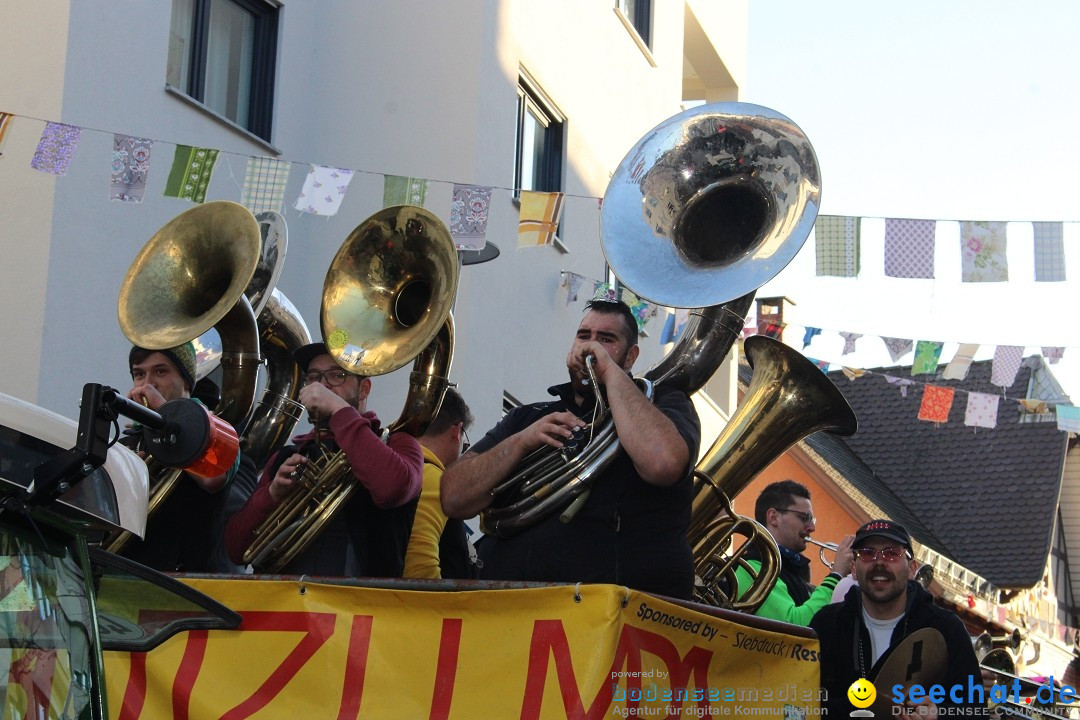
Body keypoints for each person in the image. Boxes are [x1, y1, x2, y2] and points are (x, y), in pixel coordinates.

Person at [441, 299, 701, 598]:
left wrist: (607, 371)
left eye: (607, 340)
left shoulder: (663, 404)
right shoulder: (527, 418)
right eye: (584, 336)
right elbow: (453, 497)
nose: (591, 348)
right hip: (510, 608)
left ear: (631, 357)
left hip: (613, 618)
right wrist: (521, 442)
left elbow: (663, 463)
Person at [225, 341, 423, 577]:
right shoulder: (287, 455)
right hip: (283, 607)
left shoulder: (397, 443)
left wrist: (339, 410)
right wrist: (272, 495)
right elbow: (235, 550)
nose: (321, 386)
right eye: (314, 377)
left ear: (364, 389)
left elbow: (393, 488)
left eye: (337, 376)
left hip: (362, 608)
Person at [809, 520, 987, 717]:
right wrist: (863, 707)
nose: (879, 562)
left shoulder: (946, 628)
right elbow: (803, 703)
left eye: (892, 553)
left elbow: (977, 710)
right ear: (853, 568)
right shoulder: (826, 624)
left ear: (912, 568)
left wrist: (938, 714)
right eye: (868, 553)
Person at [121, 343, 254, 572]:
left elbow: (213, 479)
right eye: (139, 374)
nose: (147, 384)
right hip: (127, 578)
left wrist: (165, 415)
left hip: (188, 585)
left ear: (186, 381)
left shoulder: (218, 435)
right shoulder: (128, 443)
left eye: (161, 372)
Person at [735, 480, 854, 624]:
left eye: (812, 520)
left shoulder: (792, 571)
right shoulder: (752, 568)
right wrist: (836, 576)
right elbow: (797, 624)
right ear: (773, 517)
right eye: (804, 518)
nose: (811, 528)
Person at [403, 387, 477, 579]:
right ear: (456, 430)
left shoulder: (397, 466)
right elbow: (419, 567)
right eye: (464, 441)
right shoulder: (432, 476)